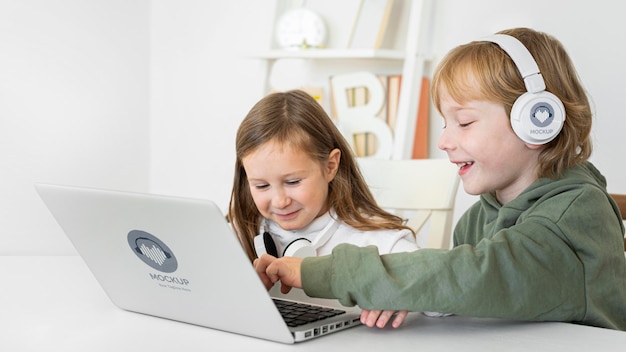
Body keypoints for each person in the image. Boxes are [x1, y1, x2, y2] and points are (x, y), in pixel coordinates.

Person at [254, 27, 626, 331]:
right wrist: (408, 294)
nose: (444, 141)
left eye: (464, 122)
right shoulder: (479, 217)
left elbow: (474, 276)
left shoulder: (574, 215)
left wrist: (323, 272)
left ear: (537, 119)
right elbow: (463, 296)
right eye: (445, 123)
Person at [227, 89, 419, 327]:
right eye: (262, 185)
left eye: (293, 182)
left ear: (330, 166)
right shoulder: (236, 234)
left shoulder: (380, 242)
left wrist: (408, 293)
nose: (279, 201)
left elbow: (442, 290)